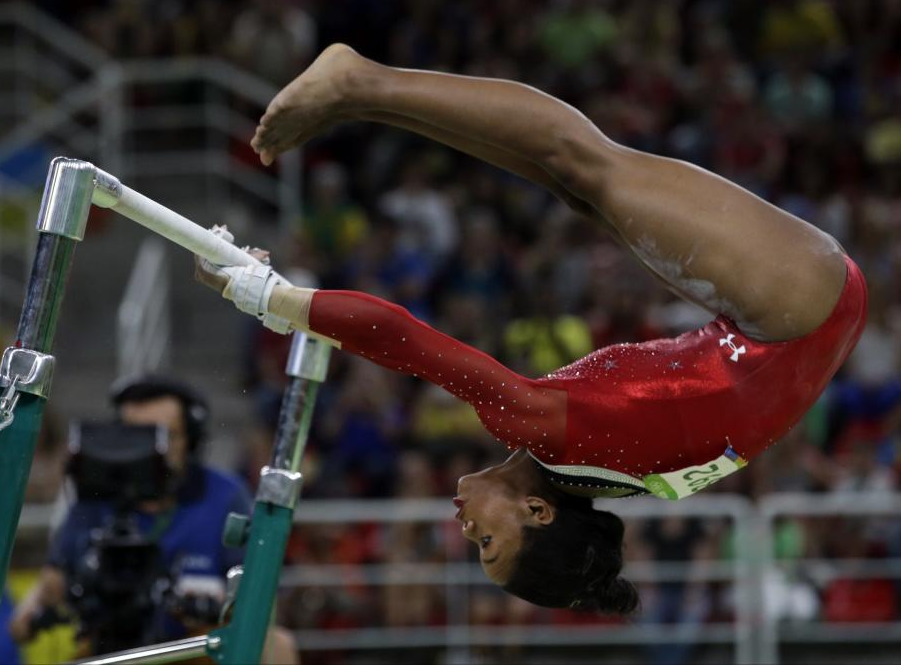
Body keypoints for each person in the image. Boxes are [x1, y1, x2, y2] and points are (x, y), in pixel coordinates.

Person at [196, 44, 867, 615]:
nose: (464, 529)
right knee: (584, 161)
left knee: (576, 184)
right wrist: (272, 299)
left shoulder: (599, 472)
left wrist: (274, 296)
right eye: (487, 541)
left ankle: (363, 99)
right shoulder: (544, 432)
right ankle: (358, 80)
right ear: (537, 514)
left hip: (794, 326)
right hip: (793, 306)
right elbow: (404, 339)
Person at [9, 375, 298, 663]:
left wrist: (215, 606)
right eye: (136, 437)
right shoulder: (95, 497)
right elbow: (49, 586)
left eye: (163, 436)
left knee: (278, 646)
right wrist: (50, 597)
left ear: (191, 439)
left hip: (194, 646)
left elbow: (262, 599)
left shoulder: (225, 495)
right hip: (111, 651)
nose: (150, 449)